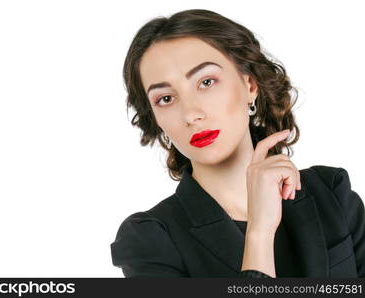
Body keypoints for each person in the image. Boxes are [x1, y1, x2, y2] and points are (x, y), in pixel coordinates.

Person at [110, 9, 365, 278]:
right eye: (165, 99)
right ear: (156, 118)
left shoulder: (331, 194)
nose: (191, 114)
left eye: (206, 82)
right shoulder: (148, 239)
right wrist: (259, 233)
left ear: (250, 85)